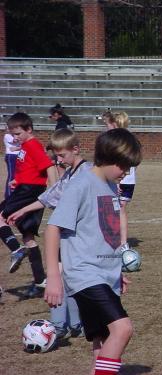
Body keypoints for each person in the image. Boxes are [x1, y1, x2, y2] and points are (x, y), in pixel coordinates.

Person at [44, 128, 142, 375]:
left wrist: (116, 269)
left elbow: (104, 235)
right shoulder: (81, 184)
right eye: (124, 167)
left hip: (103, 275)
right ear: (109, 158)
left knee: (102, 341)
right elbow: (53, 228)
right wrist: (54, 277)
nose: (126, 173)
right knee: (123, 328)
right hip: (84, 275)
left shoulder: (109, 185)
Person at [8, 128, 91, 339]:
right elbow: (50, 196)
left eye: (62, 155)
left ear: (76, 149)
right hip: (69, 237)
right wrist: (23, 209)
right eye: (56, 156)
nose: (59, 160)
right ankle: (70, 325)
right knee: (65, 278)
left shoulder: (88, 173)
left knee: (67, 279)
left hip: (82, 238)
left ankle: (64, 326)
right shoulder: (70, 174)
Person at [0, 112, 57, 298]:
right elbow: (30, 169)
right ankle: (40, 279)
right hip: (26, 188)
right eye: (12, 134)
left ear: (29, 129)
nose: (14, 138)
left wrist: (55, 191)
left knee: (0, 216)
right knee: (28, 235)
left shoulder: (32, 145)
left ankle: (16, 250)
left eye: (17, 134)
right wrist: (17, 179)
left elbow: (48, 166)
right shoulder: (25, 145)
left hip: (29, 191)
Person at [104, 112, 136, 247]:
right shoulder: (131, 139)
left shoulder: (119, 141)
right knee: (117, 210)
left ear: (115, 124)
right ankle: (119, 241)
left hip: (120, 180)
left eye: (109, 124)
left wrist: (116, 181)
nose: (107, 127)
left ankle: (122, 243)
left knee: (117, 210)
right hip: (127, 180)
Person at [3, 125, 20, 199]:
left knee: (17, 175)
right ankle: (8, 194)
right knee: (11, 175)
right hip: (11, 156)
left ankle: (15, 192)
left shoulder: (16, 135)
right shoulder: (7, 136)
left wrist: (18, 147)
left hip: (18, 155)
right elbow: (15, 141)